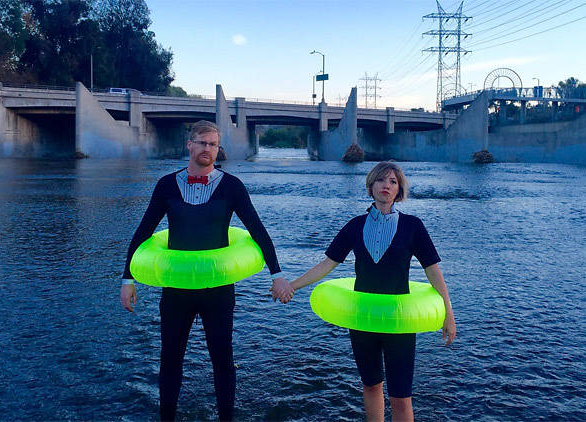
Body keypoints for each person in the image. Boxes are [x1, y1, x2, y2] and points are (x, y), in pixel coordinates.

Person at [120, 120, 293, 421]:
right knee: (170, 359)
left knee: (222, 360)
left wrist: (277, 275)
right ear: (189, 145)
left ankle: (226, 417)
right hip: (177, 290)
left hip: (218, 290)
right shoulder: (165, 185)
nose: (207, 149)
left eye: (213, 144)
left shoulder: (232, 186)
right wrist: (127, 278)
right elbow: (143, 233)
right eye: (201, 142)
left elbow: (258, 232)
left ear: (217, 149)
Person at [279, 161, 456, 422]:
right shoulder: (354, 226)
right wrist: (291, 285)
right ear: (371, 186)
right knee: (371, 385)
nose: (387, 185)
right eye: (381, 180)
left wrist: (448, 313)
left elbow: (432, 270)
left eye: (393, 182)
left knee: (401, 396)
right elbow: (328, 264)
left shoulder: (413, 226)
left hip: (399, 321)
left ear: (399, 190)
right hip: (363, 320)